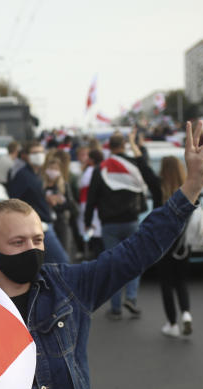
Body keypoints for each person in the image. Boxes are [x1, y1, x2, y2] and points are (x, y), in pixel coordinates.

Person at [0, 121, 203, 389]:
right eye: (17, 242)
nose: (31, 249)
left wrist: (192, 186)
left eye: (38, 240)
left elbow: (137, 250)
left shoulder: (68, 286)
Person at [84, 128, 162, 319]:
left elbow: (91, 198)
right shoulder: (134, 165)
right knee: (134, 261)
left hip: (109, 225)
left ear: (109, 147)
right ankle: (132, 298)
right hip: (131, 221)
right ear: (124, 146)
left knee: (113, 264)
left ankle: (116, 307)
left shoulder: (100, 168)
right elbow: (150, 181)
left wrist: (87, 223)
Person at [8, 141, 70, 264]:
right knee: (62, 261)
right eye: (35, 152)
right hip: (38, 226)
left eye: (41, 152)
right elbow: (13, 202)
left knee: (45, 264)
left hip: (45, 223)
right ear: (26, 156)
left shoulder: (39, 174)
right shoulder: (23, 176)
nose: (39, 155)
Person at [153, 156, 192, 338]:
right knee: (181, 280)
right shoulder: (187, 187)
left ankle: (172, 323)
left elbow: (143, 169)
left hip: (163, 242)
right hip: (183, 242)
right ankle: (186, 312)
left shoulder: (158, 189)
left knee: (166, 283)